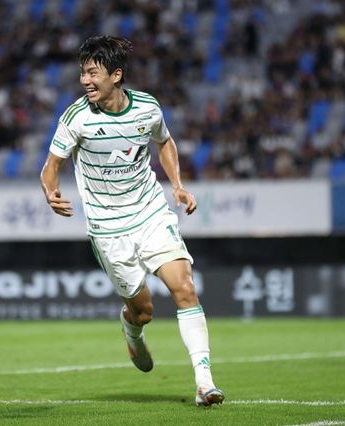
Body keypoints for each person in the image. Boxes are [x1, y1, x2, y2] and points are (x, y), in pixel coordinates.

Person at [40, 35, 225, 407]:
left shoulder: (147, 108)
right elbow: (51, 165)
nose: (85, 81)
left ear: (116, 75)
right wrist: (50, 192)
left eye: (93, 73)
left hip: (150, 212)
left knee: (184, 288)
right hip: (108, 227)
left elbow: (165, 142)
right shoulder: (76, 118)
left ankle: (204, 382)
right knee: (143, 311)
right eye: (82, 73)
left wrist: (177, 185)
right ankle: (132, 331)